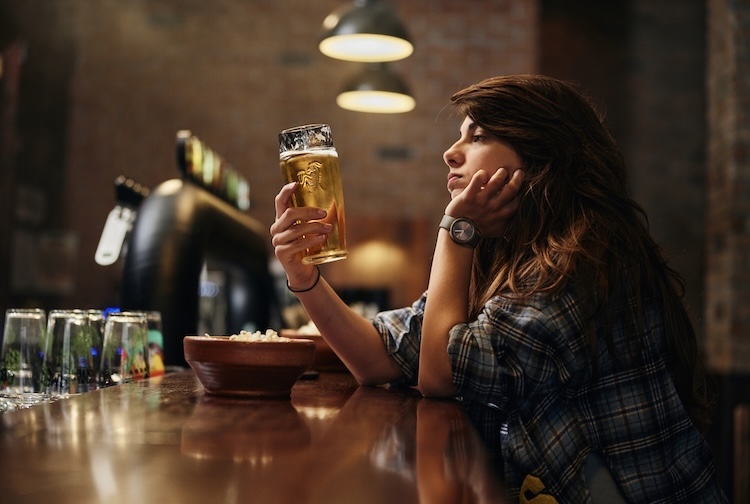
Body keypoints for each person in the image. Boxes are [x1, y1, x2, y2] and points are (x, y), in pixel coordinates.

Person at [270, 74, 727, 503]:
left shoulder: (587, 259)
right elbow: (377, 359)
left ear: (542, 155)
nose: (451, 152)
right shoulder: (502, 251)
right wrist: (304, 277)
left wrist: (455, 231)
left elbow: (439, 376)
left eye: (480, 136)